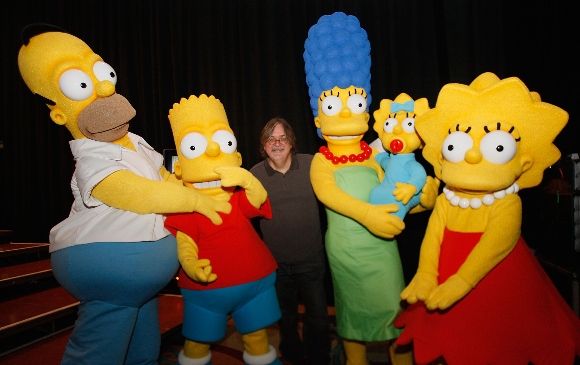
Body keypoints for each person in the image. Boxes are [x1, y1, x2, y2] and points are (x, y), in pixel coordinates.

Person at [17, 25, 229, 365]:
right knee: (99, 353)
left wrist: (198, 185)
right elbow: (138, 195)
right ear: (59, 113)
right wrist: (196, 202)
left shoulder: (137, 142)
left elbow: (163, 179)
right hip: (105, 271)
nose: (103, 87)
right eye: (81, 83)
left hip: (139, 290)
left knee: (142, 351)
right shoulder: (92, 159)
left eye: (103, 73)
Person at [164, 95, 282, 365]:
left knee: (257, 338)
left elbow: (259, 201)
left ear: (236, 156)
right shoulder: (187, 206)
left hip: (255, 281)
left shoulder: (237, 196)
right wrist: (191, 264)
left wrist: (249, 181)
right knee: (197, 343)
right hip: (207, 290)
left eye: (225, 143)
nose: (214, 152)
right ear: (180, 169)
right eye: (194, 146)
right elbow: (185, 242)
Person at [250, 118, 331, 365]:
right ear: (264, 145)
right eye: (270, 139)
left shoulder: (311, 164)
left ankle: (319, 357)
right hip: (276, 264)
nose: (277, 143)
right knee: (285, 316)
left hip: (311, 259)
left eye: (282, 138)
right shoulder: (254, 174)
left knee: (317, 315)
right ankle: (293, 355)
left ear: (291, 142)